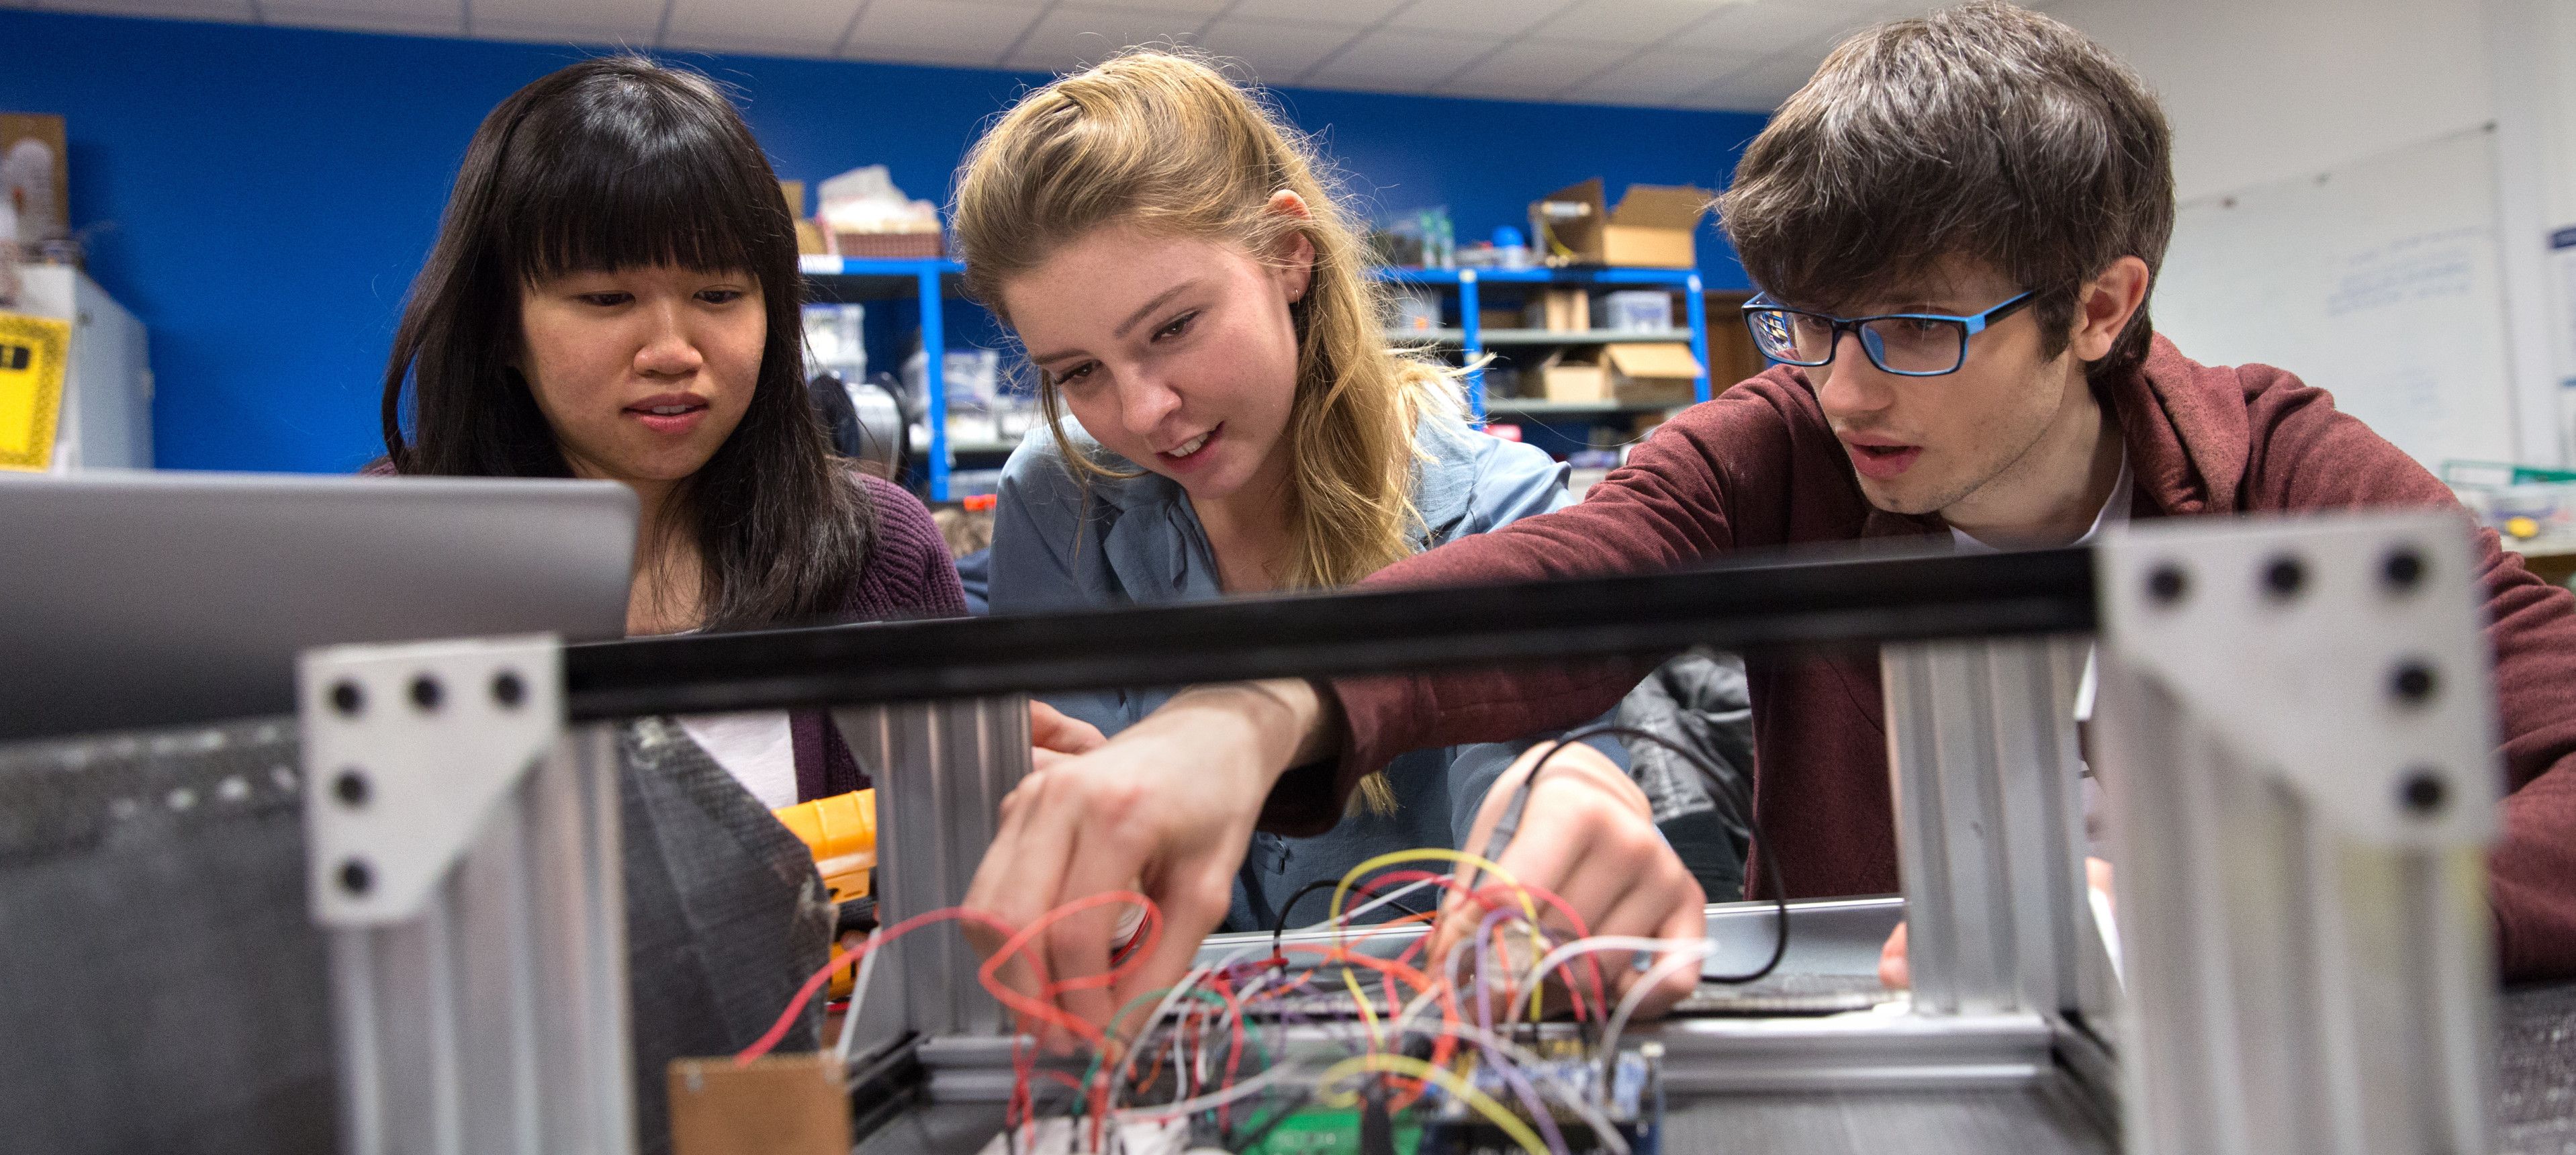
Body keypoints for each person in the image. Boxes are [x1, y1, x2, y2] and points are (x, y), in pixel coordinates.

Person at [962, 0, 2576, 1031]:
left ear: (2100, 305)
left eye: (1912, 329)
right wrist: (1257, 709)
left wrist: (2290, 899)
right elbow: (1563, 576)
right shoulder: (1782, 447)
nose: (1846, 389)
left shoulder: (2280, 464)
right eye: (1804, 320)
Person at [952, 50, 1681, 955]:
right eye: (1079, 373)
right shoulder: (1057, 497)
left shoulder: (1496, 508)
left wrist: (1553, 839)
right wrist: (1096, 869)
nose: (1142, 411)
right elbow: (1097, 892)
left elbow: (1532, 849)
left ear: (1289, 254)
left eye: (1174, 327)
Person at [373, 56, 968, 806]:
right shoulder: (384, 553)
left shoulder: (881, 549)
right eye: (606, 297)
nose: (672, 353)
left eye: (719, 294)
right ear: (499, 326)